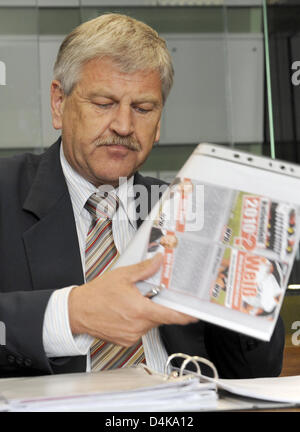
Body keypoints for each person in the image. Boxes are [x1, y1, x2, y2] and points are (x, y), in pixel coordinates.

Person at [0, 13, 284, 379]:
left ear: (160, 119)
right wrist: (71, 313)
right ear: (59, 103)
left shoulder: (184, 209)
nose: (123, 126)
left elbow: (255, 371)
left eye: (143, 108)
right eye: (104, 103)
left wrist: (250, 280)